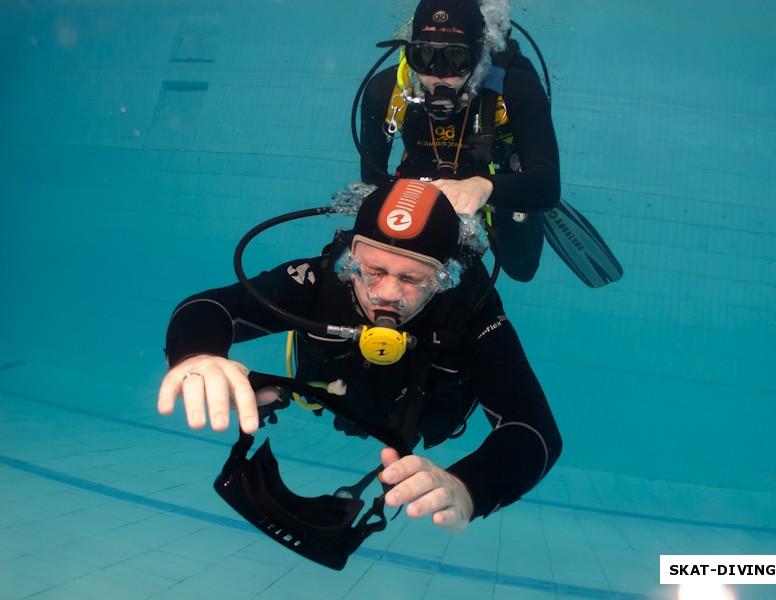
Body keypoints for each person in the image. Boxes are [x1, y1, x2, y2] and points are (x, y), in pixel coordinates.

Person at [158, 179, 561, 541]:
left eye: (412, 279)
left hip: (416, 421)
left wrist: (471, 487)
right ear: (351, 256)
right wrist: (197, 353)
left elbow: (534, 427)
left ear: (445, 277)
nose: (386, 294)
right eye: (372, 270)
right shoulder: (321, 281)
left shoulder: (470, 312)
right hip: (332, 396)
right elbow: (209, 307)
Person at [359, 0, 561, 282]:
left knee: (521, 269)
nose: (439, 73)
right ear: (409, 51)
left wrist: (484, 187)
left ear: (478, 53)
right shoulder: (384, 92)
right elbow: (372, 178)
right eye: (424, 56)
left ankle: (517, 191)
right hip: (423, 183)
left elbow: (548, 185)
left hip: (496, 184)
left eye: (456, 58)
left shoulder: (517, 89)